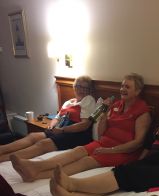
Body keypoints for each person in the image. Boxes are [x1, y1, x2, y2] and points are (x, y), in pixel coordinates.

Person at [48, 77, 159, 196]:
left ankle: (73, 184)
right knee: (127, 170)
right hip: (158, 159)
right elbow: (149, 142)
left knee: (131, 175)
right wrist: (142, 158)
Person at [11, 73, 151, 182]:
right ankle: (35, 167)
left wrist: (110, 150)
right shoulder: (116, 105)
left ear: (137, 91)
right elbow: (102, 133)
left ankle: (35, 175)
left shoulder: (142, 112)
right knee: (77, 151)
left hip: (124, 151)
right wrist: (104, 114)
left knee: (85, 162)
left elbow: (137, 144)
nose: (122, 89)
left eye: (127, 87)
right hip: (104, 143)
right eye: (122, 86)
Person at [0, 76, 96, 162]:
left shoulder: (88, 100)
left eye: (85, 87)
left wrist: (62, 130)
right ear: (74, 87)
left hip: (77, 134)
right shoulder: (69, 102)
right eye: (78, 86)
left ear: (89, 90)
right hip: (61, 129)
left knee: (43, 144)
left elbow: (85, 125)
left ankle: (4, 158)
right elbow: (57, 118)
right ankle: (2, 149)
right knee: (33, 136)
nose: (81, 90)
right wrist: (51, 126)